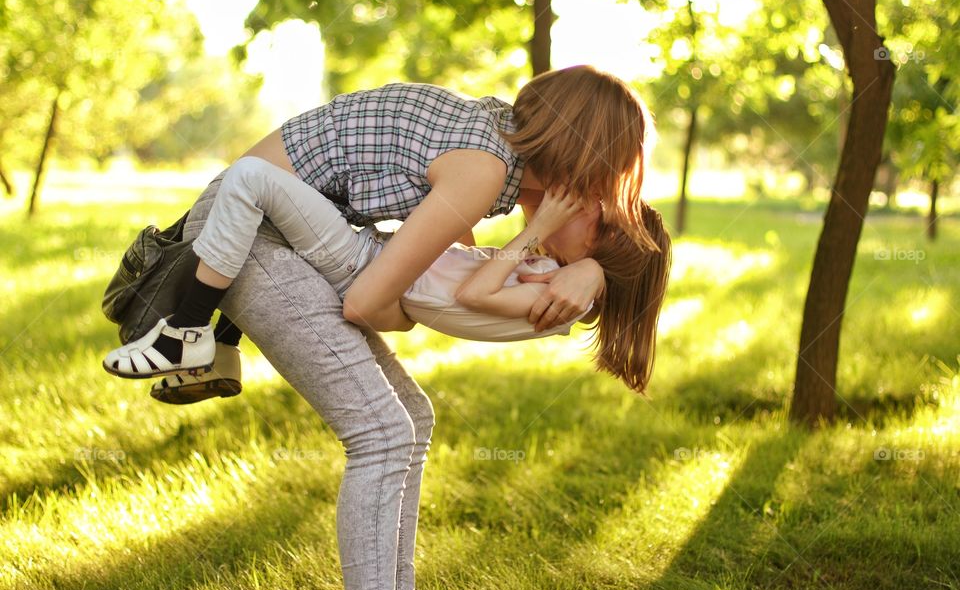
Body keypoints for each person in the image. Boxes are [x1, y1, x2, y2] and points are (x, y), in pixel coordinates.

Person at [104, 65, 658, 590]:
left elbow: (436, 258)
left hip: (285, 228)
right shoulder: (484, 171)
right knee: (382, 432)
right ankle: (192, 334)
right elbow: (367, 304)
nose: (599, 198)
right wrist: (413, 312)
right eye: (604, 185)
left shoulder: (488, 142)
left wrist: (593, 268)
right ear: (583, 160)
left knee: (412, 417)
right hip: (253, 230)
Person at [105, 157, 671, 400]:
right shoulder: (560, 284)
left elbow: (473, 292)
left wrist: (539, 228)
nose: (582, 208)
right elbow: (464, 269)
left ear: (613, 250)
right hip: (372, 255)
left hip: (361, 264)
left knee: (251, 178)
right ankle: (219, 346)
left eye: (600, 220)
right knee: (263, 197)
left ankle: (187, 330)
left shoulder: (555, 305)